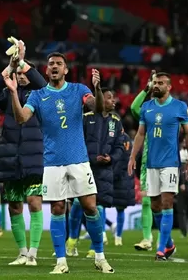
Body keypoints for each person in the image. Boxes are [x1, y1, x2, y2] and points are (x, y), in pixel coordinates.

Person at [5, 52, 113, 274]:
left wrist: (97, 89)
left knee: (90, 207)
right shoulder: (37, 95)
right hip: (53, 162)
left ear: (66, 70)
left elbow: (98, 108)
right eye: (51, 64)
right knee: (57, 208)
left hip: (79, 160)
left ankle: (100, 257)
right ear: (47, 70)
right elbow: (21, 118)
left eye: (59, 64)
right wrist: (14, 93)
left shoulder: (78, 90)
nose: (54, 66)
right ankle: (61, 261)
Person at [0, 47, 47, 266]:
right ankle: (22, 252)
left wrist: (22, 63)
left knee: (34, 202)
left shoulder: (41, 95)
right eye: (18, 74)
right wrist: (10, 66)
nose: (21, 77)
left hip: (34, 156)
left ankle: (33, 252)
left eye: (24, 73)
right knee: (14, 205)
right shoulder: (8, 96)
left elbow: (40, 82)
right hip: (10, 155)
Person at [128, 72, 188, 261]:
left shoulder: (179, 107)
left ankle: (160, 249)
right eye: (154, 82)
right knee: (155, 205)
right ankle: (169, 244)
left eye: (160, 83)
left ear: (169, 87)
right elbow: (140, 134)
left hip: (170, 164)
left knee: (166, 203)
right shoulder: (146, 107)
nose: (156, 85)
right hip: (151, 163)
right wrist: (133, 156)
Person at [69, 88, 124, 256]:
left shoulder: (116, 121)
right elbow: (76, 141)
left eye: (113, 98)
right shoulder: (85, 119)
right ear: (100, 100)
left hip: (104, 172)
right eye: (109, 98)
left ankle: (95, 246)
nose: (113, 101)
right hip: (85, 168)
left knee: (98, 207)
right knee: (78, 206)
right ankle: (71, 241)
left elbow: (119, 146)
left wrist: (111, 158)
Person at [129, 70, 156, 251]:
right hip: (148, 161)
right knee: (146, 201)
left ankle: (167, 241)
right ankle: (147, 237)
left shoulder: (175, 109)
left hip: (167, 161)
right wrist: (146, 88)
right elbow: (133, 108)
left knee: (163, 203)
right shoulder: (148, 112)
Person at [113, 130, 136, 246]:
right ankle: (118, 236)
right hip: (126, 176)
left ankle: (102, 235)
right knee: (120, 208)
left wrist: (112, 174)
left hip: (115, 176)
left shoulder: (115, 136)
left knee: (100, 205)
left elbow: (119, 159)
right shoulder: (127, 138)